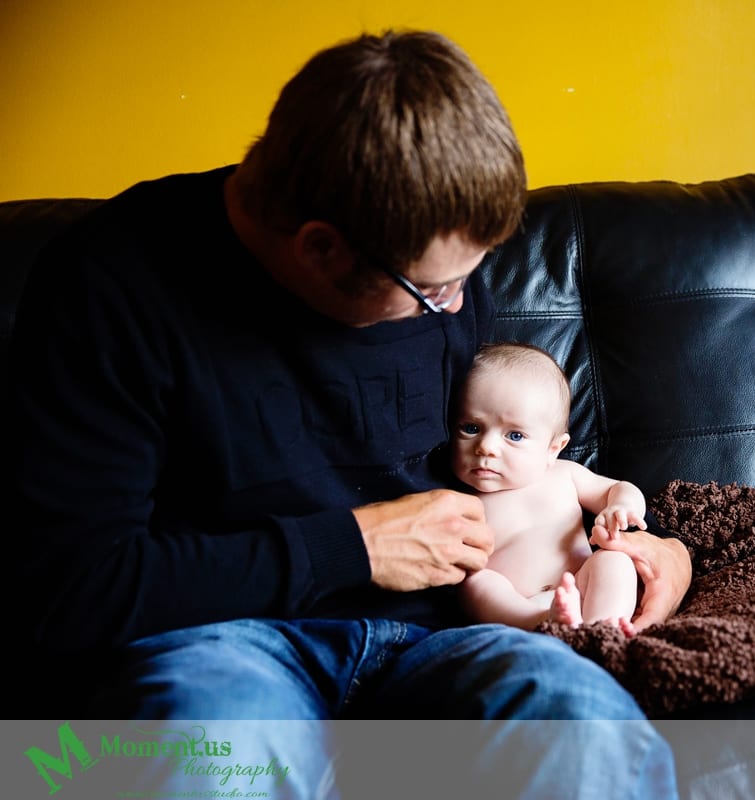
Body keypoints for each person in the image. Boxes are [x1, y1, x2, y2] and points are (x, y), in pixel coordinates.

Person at [6, 30, 691, 798]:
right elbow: (68, 594)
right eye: (436, 293)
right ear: (321, 248)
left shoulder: (435, 262)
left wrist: (651, 549)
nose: (459, 308)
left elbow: (521, 477)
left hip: (447, 640)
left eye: (471, 278)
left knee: (586, 736)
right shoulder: (110, 289)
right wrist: (350, 547)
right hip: (228, 648)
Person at [452, 343, 644, 637]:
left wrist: (621, 507)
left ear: (554, 448)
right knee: (476, 582)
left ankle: (604, 631)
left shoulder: (564, 474)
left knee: (614, 560)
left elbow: (617, 489)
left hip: (583, 588)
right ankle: (543, 621)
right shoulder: (459, 498)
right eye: (471, 428)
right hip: (517, 608)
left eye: (514, 435)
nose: (486, 447)